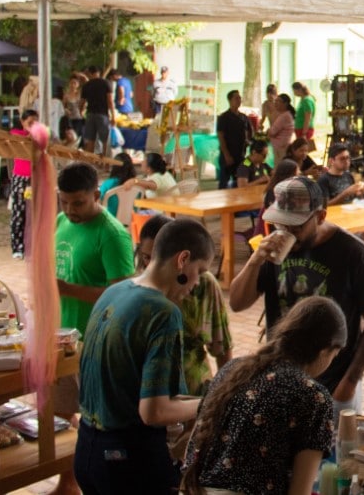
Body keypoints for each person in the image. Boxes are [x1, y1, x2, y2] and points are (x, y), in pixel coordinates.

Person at [73, 216, 214, 494]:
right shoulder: (163, 312)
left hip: (87, 450)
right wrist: (212, 404)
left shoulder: (114, 292)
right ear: (183, 259)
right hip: (128, 464)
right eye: (199, 270)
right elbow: (153, 411)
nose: (197, 282)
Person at [228, 176, 364, 415]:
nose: (286, 232)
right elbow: (237, 303)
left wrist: (349, 383)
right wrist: (255, 260)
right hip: (280, 378)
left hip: (333, 383)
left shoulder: (354, 254)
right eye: (280, 224)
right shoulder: (272, 250)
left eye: (296, 226)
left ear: (320, 216)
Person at [180, 297, 346, 495]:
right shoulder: (313, 396)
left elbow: (193, 450)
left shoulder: (233, 369)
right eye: (334, 356)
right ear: (325, 351)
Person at [54, 162, 137, 495]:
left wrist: (67, 289)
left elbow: (122, 293)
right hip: (62, 336)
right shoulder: (61, 221)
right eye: (64, 202)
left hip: (96, 340)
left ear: (96, 195)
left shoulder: (112, 234)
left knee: (95, 419)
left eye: (78, 203)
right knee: (61, 413)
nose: (70, 210)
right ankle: (67, 483)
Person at [136, 214, 233, 396]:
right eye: (147, 258)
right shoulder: (138, 289)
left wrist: (223, 395)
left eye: (159, 258)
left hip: (195, 392)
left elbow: (222, 348)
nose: (153, 266)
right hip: (148, 395)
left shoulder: (202, 283)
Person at [8, 110, 39, 259]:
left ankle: (32, 245)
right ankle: (17, 247)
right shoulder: (16, 134)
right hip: (21, 177)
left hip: (36, 178)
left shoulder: (40, 136)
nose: (33, 126)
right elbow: (17, 138)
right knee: (19, 212)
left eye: (35, 122)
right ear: (22, 122)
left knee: (34, 212)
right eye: (29, 123)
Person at [216, 89, 252, 189]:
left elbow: (250, 133)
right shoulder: (224, 117)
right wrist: (226, 155)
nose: (239, 100)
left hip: (241, 155)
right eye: (236, 98)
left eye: (239, 98)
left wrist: (248, 142)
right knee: (224, 182)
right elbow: (221, 136)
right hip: (228, 155)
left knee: (239, 181)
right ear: (230, 100)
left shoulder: (244, 117)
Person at [80, 65, 114, 155]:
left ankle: (89, 160)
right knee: (105, 140)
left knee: (90, 140)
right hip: (102, 114)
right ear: (98, 73)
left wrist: (81, 111)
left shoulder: (86, 85)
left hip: (90, 114)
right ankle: (105, 160)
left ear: (90, 73)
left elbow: (82, 102)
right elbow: (110, 100)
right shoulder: (106, 83)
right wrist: (113, 115)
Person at [267, 92, 296, 163]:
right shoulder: (285, 115)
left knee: (279, 167)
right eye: (275, 101)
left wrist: (268, 130)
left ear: (285, 104)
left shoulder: (284, 116)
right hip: (282, 147)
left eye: (278, 101)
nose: (275, 103)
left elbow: (272, 132)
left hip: (280, 148)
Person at [61, 73, 87, 145]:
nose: (73, 85)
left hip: (79, 118)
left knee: (79, 138)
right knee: (72, 137)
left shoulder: (79, 93)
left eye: (75, 83)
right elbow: (62, 107)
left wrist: (82, 76)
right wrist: (65, 110)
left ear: (78, 85)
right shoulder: (66, 95)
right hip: (70, 119)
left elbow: (87, 83)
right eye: (71, 83)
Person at [292, 81, 316, 147]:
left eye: (294, 90)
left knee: (302, 148)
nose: (294, 93)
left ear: (298, 90)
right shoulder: (303, 100)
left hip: (304, 130)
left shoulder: (307, 100)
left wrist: (304, 133)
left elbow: (308, 117)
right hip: (300, 129)